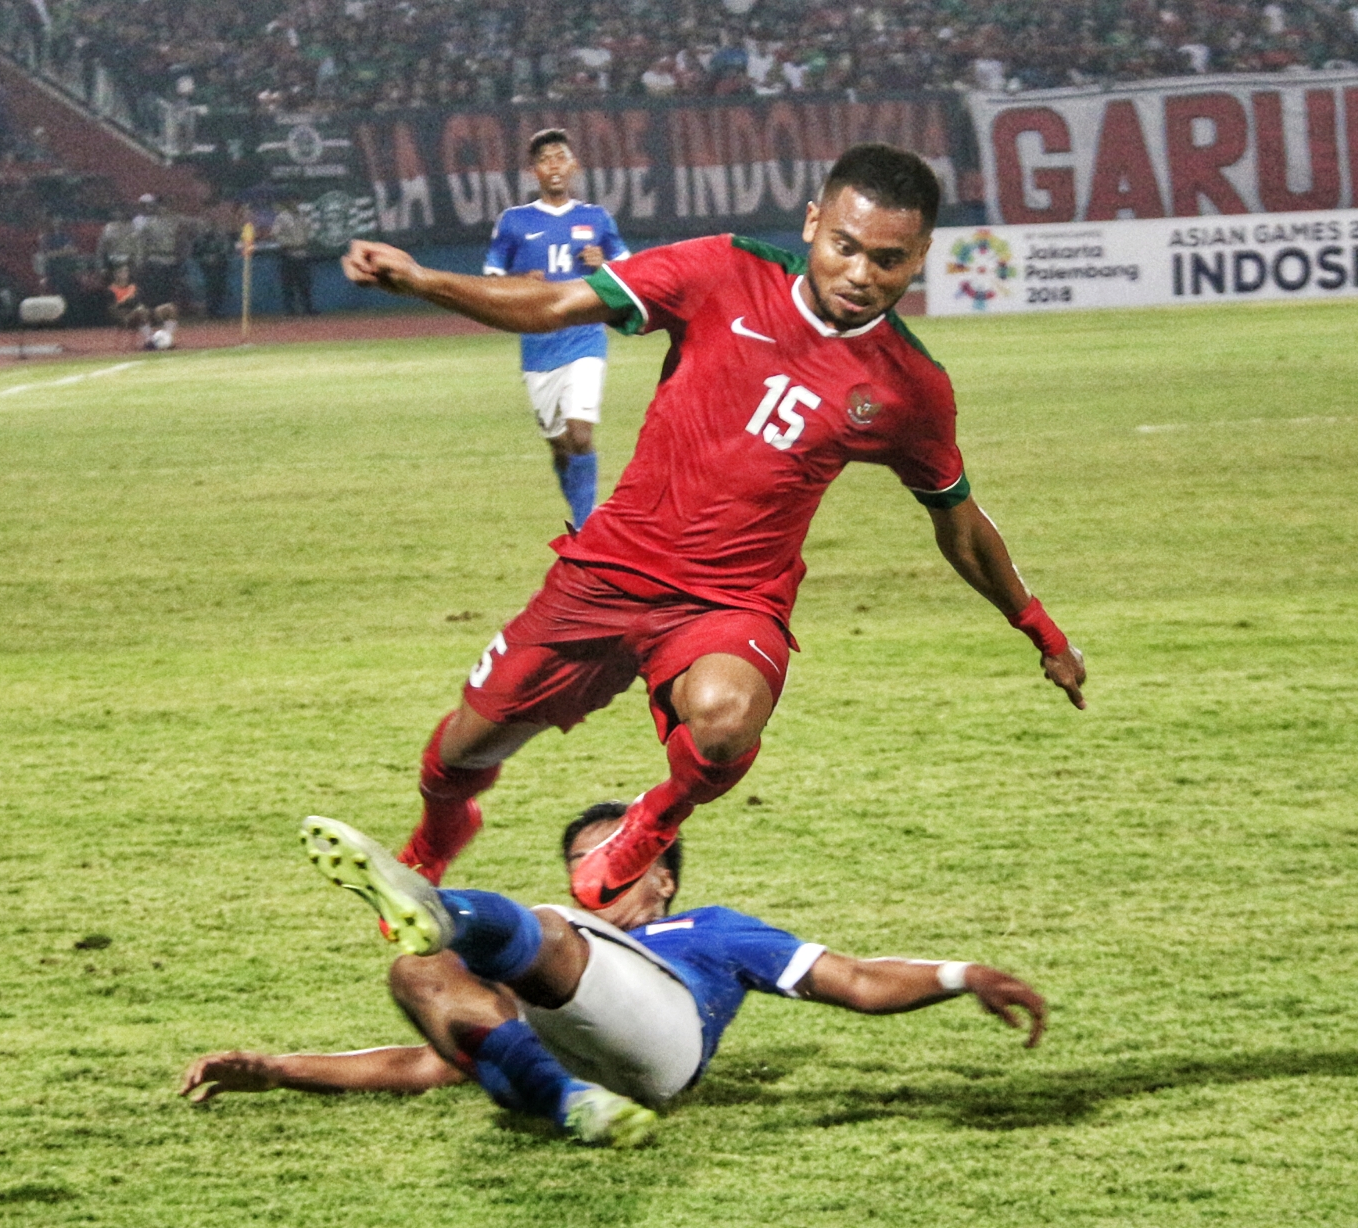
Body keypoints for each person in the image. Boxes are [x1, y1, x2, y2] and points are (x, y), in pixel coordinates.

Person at [340, 143, 1087, 913]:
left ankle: (651, 822)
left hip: (729, 603)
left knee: (727, 721)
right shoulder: (720, 270)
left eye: (890, 259)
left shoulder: (910, 389)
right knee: (464, 750)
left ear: (922, 255)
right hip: (607, 574)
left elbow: (959, 525)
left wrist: (1041, 629)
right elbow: (559, 305)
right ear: (812, 223)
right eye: (845, 246)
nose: (862, 274)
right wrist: (419, 279)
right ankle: (435, 840)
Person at [180, 809, 1047, 1148]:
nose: (598, 874)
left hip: (664, 1044)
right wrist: (278, 1069)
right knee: (418, 972)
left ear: (664, 875)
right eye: (582, 862)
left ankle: (444, 906)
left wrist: (961, 972)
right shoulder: (560, 945)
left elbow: (855, 980)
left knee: (540, 939)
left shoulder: (711, 931)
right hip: (570, 1056)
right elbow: (434, 1065)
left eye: (620, 861)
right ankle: (567, 1101)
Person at [484, 128, 630, 530]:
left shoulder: (596, 218)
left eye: (560, 157)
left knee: (581, 435)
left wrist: (604, 264)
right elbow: (491, 277)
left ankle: (585, 531)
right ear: (534, 171)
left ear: (573, 166)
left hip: (585, 339)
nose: (554, 166)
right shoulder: (514, 221)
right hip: (538, 346)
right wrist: (519, 281)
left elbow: (633, 273)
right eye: (545, 159)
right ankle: (579, 515)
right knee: (561, 444)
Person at [272, 201, 316, 316]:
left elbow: (309, 230)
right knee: (288, 284)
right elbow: (276, 234)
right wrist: (288, 243)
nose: (295, 204)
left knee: (305, 284)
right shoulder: (282, 217)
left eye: (296, 201)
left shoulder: (303, 216)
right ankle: (290, 310)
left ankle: (308, 309)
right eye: (292, 201)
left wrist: (305, 241)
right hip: (288, 254)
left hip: (302, 253)